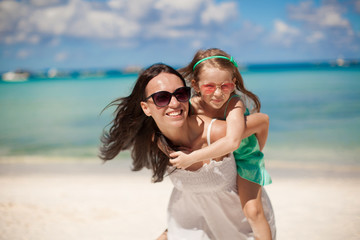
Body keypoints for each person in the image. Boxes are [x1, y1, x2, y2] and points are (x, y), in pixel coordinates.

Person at [99, 63, 276, 239]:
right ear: (146, 108)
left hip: (239, 226)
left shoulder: (218, 133)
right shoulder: (158, 139)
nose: (175, 103)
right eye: (162, 98)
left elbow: (261, 122)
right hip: (191, 223)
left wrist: (253, 155)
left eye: (181, 94)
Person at [170, 48, 273, 239]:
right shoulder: (192, 106)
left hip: (244, 158)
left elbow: (233, 141)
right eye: (209, 86)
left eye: (225, 86)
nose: (218, 93)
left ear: (233, 84)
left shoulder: (234, 103)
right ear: (196, 85)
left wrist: (257, 152)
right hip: (215, 159)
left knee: (253, 212)